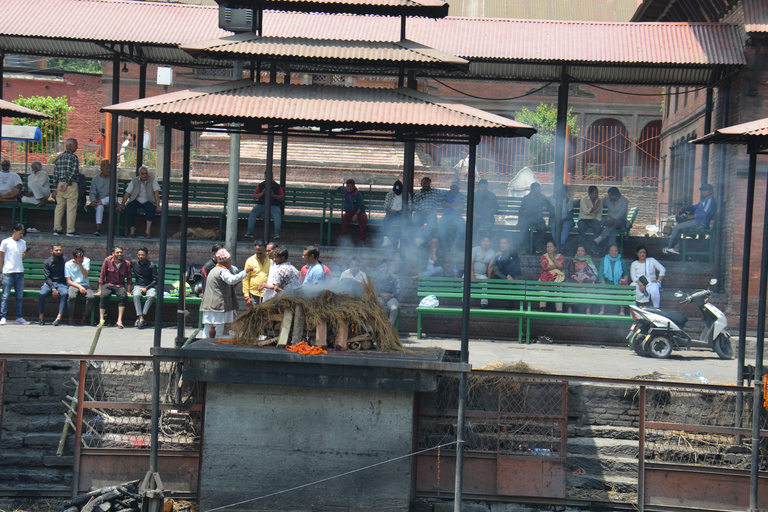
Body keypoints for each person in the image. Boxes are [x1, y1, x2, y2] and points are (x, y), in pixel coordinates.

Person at [200, 248, 252, 338]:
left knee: (208, 329)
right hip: (217, 306)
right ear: (225, 261)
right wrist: (245, 272)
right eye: (230, 260)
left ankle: (205, 345)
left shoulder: (213, 270)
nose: (231, 262)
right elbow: (232, 280)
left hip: (209, 304)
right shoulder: (222, 271)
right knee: (217, 329)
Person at [662, 183, 717, 255]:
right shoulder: (704, 200)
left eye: (705, 190)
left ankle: (669, 248)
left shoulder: (710, 201)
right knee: (679, 226)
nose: (703, 192)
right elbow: (695, 207)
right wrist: (685, 207)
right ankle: (676, 248)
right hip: (696, 222)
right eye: (703, 190)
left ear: (711, 191)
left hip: (701, 223)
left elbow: (705, 214)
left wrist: (693, 216)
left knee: (676, 228)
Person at [117, 165, 161, 238]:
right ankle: (132, 229)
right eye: (143, 174)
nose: (145, 175)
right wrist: (122, 204)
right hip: (136, 200)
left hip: (148, 200)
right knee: (129, 207)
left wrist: (157, 206)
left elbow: (156, 193)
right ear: (139, 174)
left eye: (146, 173)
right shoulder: (134, 181)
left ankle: (147, 230)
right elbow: (128, 193)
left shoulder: (152, 180)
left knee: (151, 208)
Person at [52, 138, 82, 237]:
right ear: (69, 146)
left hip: (60, 184)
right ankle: (70, 230)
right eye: (75, 145)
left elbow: (55, 173)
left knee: (59, 207)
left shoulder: (59, 157)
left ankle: (57, 229)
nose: (77, 147)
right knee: (71, 208)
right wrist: (67, 182)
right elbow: (74, 171)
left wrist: (56, 186)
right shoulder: (73, 157)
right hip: (71, 184)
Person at [0, 224, 29, 325]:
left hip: (19, 271)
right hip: (8, 272)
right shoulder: (6, 242)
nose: (21, 235)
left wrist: (25, 254)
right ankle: (3, 317)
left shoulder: (23, 243)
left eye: (22, 234)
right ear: (14, 231)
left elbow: (21, 258)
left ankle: (19, 317)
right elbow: (1, 257)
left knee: (19, 296)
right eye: (20, 233)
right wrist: (2, 271)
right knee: (5, 296)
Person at [98, 246, 132, 328]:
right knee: (103, 296)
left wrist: (128, 291)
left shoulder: (126, 263)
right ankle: (101, 320)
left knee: (123, 296)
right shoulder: (107, 261)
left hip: (120, 285)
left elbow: (129, 279)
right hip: (108, 284)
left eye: (121, 252)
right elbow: (102, 276)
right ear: (113, 254)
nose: (119, 254)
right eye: (117, 252)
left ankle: (119, 320)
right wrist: (100, 290)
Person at [245, 174, 284, 240]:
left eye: (270, 176)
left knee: (277, 214)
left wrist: (273, 195)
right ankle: (249, 232)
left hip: (273, 206)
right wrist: (262, 193)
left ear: (272, 177)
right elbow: (254, 196)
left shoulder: (277, 186)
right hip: (261, 205)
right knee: (253, 212)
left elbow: (282, 197)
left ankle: (277, 233)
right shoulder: (261, 185)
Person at [37, 243, 69, 326]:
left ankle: (59, 318)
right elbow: (47, 278)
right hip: (49, 283)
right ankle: (41, 317)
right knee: (42, 294)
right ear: (52, 251)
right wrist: (53, 289)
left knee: (65, 293)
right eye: (56, 250)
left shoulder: (66, 260)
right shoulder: (47, 262)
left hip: (62, 283)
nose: (58, 252)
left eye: (60, 250)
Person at [518, 182, 552, 254]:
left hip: (538, 219)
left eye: (539, 189)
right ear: (533, 190)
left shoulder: (542, 197)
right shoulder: (526, 198)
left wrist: (550, 220)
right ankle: (525, 248)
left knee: (542, 227)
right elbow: (520, 211)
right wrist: (519, 221)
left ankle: (539, 247)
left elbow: (550, 208)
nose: (539, 191)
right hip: (528, 218)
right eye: (538, 189)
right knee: (523, 228)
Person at [65, 247, 95, 326]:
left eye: (81, 257)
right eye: (78, 257)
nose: (80, 259)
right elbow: (68, 281)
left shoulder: (86, 261)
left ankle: (84, 317)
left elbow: (85, 275)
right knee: (71, 297)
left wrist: (80, 264)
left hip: (85, 284)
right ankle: (71, 316)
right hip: (74, 284)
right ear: (74, 257)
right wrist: (79, 287)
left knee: (91, 297)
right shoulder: (68, 264)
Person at [599, 243, 629, 316]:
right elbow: (600, 273)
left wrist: (624, 282)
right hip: (607, 283)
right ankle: (602, 310)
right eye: (612, 250)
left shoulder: (621, 261)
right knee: (601, 289)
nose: (614, 252)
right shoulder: (604, 260)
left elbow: (625, 273)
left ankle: (622, 311)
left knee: (623, 289)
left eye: (616, 251)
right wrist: (603, 283)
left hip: (618, 284)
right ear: (608, 251)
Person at [566, 245, 598, 314]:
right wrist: (576, 278)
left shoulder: (588, 260)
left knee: (590, 285)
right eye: (578, 251)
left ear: (585, 252)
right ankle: (569, 308)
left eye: (582, 251)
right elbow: (570, 271)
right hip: (575, 279)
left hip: (585, 279)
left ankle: (588, 309)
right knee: (569, 285)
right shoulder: (573, 260)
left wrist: (583, 278)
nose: (580, 252)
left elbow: (591, 271)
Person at [131, 247, 157, 328]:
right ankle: (141, 318)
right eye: (139, 255)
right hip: (138, 286)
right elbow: (123, 263)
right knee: (136, 295)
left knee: (151, 295)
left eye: (142, 255)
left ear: (146, 255)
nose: (140, 256)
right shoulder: (134, 263)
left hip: (149, 286)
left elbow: (155, 280)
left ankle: (142, 316)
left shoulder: (152, 265)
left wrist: (147, 288)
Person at [412, 177, 441, 246]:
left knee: (432, 223)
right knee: (416, 221)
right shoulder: (417, 195)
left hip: (431, 213)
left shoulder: (434, 191)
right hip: (421, 212)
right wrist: (420, 209)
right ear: (421, 184)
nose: (427, 184)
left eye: (428, 183)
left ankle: (422, 238)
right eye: (425, 183)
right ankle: (418, 239)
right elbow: (414, 205)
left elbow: (446, 193)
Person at [438, 181, 466, 250]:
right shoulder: (445, 194)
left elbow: (461, 206)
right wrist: (455, 205)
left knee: (462, 225)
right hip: (446, 215)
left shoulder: (461, 195)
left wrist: (449, 204)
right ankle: (443, 243)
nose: (454, 189)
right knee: (440, 224)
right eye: (453, 187)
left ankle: (456, 243)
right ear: (450, 187)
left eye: (456, 187)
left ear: (458, 188)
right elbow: (444, 203)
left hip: (457, 216)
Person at [242, 240, 270, 307]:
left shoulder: (271, 260)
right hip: (254, 294)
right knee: (255, 315)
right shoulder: (250, 261)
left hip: (268, 294)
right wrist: (247, 296)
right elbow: (245, 279)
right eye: (257, 250)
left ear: (265, 249)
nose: (259, 252)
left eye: (261, 250)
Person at [539, 240, 564, 312]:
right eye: (548, 247)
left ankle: (559, 311)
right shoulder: (544, 257)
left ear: (555, 248)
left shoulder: (560, 256)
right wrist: (556, 266)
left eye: (551, 246)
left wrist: (552, 258)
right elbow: (546, 267)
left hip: (557, 280)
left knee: (559, 292)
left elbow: (561, 266)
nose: (549, 248)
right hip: (545, 280)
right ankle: (542, 309)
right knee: (543, 290)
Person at [372, 260, 401, 325]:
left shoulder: (394, 277)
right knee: (378, 306)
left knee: (394, 308)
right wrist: (380, 294)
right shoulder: (376, 278)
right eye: (381, 267)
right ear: (379, 269)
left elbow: (398, 289)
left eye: (384, 266)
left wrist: (392, 295)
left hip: (391, 298)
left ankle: (389, 328)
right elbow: (373, 290)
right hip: (380, 297)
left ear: (388, 267)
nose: (383, 269)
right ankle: (381, 326)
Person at [382, 180, 409, 248]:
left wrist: (404, 210)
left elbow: (410, 206)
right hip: (391, 212)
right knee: (386, 220)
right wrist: (390, 210)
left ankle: (401, 240)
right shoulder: (389, 194)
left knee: (405, 221)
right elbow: (385, 207)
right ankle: (386, 239)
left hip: (401, 213)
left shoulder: (406, 194)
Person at [339, 179, 367, 244]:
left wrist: (356, 214)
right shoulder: (344, 191)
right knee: (345, 218)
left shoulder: (358, 194)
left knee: (363, 218)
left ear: (354, 187)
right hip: (349, 211)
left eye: (351, 186)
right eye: (348, 186)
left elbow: (361, 206)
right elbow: (340, 188)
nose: (349, 188)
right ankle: (344, 239)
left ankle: (362, 240)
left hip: (359, 212)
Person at [471, 235, 495, 308]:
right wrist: (472, 275)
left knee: (485, 282)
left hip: (481, 275)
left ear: (490, 243)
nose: (486, 243)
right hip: (471, 273)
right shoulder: (475, 249)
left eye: (488, 241)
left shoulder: (492, 252)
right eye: (484, 241)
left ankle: (484, 303)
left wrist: (489, 278)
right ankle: (464, 302)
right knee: (464, 281)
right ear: (481, 242)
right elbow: (470, 263)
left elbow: (490, 267)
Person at [89, 159, 112, 236]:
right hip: (99, 201)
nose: (108, 170)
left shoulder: (113, 178)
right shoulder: (95, 179)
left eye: (109, 168)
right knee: (100, 207)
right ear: (101, 169)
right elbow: (92, 192)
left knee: (113, 197)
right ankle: (98, 228)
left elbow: (114, 192)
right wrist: (93, 200)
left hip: (110, 200)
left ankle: (98, 203)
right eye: (107, 168)